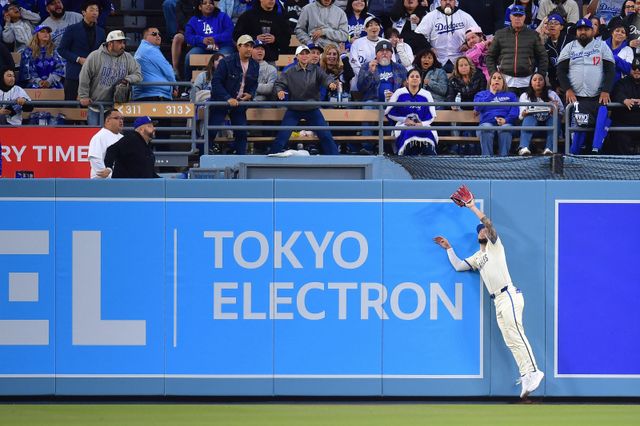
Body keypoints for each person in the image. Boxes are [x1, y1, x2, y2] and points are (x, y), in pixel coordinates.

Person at [433, 186, 544, 400]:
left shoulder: (495, 247)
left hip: (509, 294)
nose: (482, 231)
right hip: (497, 301)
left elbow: (489, 225)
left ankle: (534, 371)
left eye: (483, 230)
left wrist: (472, 207)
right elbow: (458, 265)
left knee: (517, 332)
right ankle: (526, 374)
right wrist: (449, 248)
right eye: (479, 231)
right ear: (477, 236)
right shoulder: (477, 257)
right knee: (510, 340)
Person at [556, 18, 615, 154]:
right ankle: (573, 155)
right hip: (575, 97)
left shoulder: (601, 46)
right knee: (576, 131)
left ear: (592, 31)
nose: (583, 32)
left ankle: (595, 152)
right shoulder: (569, 47)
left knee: (598, 127)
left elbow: (610, 70)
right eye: (580, 29)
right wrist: (568, 89)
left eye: (586, 29)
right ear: (576, 31)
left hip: (596, 96)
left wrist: (606, 90)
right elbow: (561, 71)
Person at [269, 44, 340, 154]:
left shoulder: (316, 70)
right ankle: (272, 156)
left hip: (312, 108)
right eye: (301, 54)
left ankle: (335, 158)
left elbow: (326, 78)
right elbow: (279, 83)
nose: (304, 56)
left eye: (307, 53)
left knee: (325, 135)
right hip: (294, 108)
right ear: (297, 56)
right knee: (282, 136)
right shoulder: (289, 70)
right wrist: (279, 91)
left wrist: (330, 83)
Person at [208, 34, 259, 155]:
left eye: (251, 46)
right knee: (211, 132)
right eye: (246, 46)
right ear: (238, 47)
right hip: (221, 102)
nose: (249, 49)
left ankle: (241, 159)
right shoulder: (226, 62)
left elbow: (254, 84)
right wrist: (228, 98)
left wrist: (250, 94)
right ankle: (202, 157)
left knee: (241, 133)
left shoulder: (255, 64)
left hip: (239, 103)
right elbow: (216, 83)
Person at [78, 30, 141, 126]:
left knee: (114, 134)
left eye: (123, 42)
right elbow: (84, 76)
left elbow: (138, 75)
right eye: (119, 42)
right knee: (96, 133)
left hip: (116, 107)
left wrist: (127, 79)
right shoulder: (95, 56)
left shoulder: (128, 57)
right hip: (96, 105)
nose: (123, 45)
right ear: (110, 44)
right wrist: (83, 96)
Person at [487, 5, 548, 96]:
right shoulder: (500, 34)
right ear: (510, 17)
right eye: (515, 15)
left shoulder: (533, 35)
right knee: (508, 105)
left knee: (526, 105)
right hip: (506, 81)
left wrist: (540, 74)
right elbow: (490, 56)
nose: (517, 18)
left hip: (527, 81)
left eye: (520, 15)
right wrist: (494, 73)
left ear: (524, 17)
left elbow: (543, 56)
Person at [57, 1, 105, 101]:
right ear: (83, 12)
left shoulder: (101, 31)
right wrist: (78, 59)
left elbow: (103, 51)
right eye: (91, 10)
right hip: (74, 74)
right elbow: (61, 49)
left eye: (97, 10)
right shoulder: (72, 29)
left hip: (93, 76)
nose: (95, 13)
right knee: (70, 105)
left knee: (92, 105)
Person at [385, 67, 438, 155]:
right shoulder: (399, 92)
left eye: (417, 76)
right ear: (407, 80)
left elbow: (432, 115)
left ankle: (429, 158)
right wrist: (405, 120)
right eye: (412, 76)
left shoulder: (427, 94)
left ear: (420, 80)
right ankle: (404, 158)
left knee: (428, 132)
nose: (414, 78)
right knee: (408, 131)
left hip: (421, 125)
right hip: (403, 125)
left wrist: (421, 124)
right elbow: (389, 112)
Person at [414, 0, 478, 72]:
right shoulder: (431, 16)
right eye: (444, 0)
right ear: (440, 1)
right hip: (437, 60)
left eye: (450, 0)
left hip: (460, 60)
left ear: (455, 1)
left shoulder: (464, 16)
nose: (447, 2)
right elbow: (418, 35)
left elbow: (477, 34)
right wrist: (429, 48)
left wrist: (467, 44)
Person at [184, 0, 234, 79]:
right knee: (189, 57)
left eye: (211, 3)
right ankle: (187, 83)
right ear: (199, 7)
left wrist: (215, 38)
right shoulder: (194, 19)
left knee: (223, 59)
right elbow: (188, 36)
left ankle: (222, 82)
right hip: (202, 46)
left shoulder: (223, 16)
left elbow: (229, 32)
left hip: (222, 46)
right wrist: (201, 40)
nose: (208, 5)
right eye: (205, 3)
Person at [517, 72, 564, 156]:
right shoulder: (525, 96)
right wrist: (525, 113)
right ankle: (524, 148)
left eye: (540, 79)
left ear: (544, 82)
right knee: (529, 117)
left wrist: (555, 110)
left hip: (549, 130)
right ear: (531, 83)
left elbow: (561, 112)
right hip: (534, 130)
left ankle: (549, 149)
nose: (538, 82)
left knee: (554, 118)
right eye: (535, 80)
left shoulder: (552, 94)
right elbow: (521, 116)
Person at [474, 71, 519, 156]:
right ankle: (487, 159)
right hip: (486, 123)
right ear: (490, 81)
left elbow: (515, 111)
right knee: (486, 128)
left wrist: (506, 120)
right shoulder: (481, 94)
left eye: (499, 78)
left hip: (505, 123)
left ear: (503, 82)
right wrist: (491, 94)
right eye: (494, 78)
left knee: (506, 128)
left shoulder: (511, 95)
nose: (496, 80)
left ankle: (503, 158)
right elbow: (477, 108)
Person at [133, 27, 176, 102]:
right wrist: (175, 86)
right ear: (146, 37)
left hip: (145, 95)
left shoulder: (143, 49)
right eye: (154, 34)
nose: (158, 36)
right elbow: (168, 70)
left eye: (159, 34)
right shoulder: (150, 49)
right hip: (154, 95)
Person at [610, 56, 640, 154]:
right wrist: (624, 100)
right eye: (634, 68)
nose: (637, 70)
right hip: (624, 125)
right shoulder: (622, 82)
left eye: (639, 68)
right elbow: (617, 93)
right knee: (619, 135)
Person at [542, 13, 574, 98]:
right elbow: (550, 70)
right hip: (560, 84)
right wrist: (555, 86)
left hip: (574, 81)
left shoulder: (571, 40)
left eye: (556, 23)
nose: (552, 25)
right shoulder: (546, 46)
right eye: (550, 23)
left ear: (561, 27)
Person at [349, 15, 384, 91]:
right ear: (365, 29)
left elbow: (392, 63)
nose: (374, 27)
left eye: (376, 25)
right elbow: (354, 66)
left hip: (382, 82)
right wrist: (367, 77)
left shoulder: (385, 43)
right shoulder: (357, 43)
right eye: (370, 25)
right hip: (360, 83)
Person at [88, 108, 123, 178]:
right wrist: (110, 176)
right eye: (116, 118)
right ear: (107, 120)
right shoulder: (99, 137)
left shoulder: (122, 138)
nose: (121, 121)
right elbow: (95, 160)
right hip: (102, 181)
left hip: (119, 180)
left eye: (122, 118)